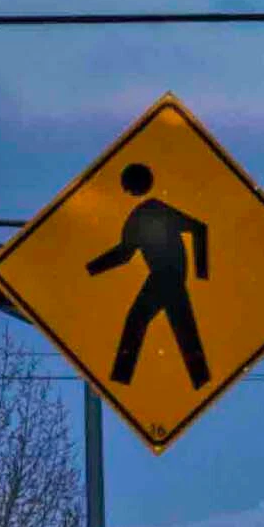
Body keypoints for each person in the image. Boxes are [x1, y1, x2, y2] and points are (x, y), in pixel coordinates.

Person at [86, 161, 211, 390]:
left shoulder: (154, 209)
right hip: (166, 277)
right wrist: (90, 269)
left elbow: (199, 229)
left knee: (139, 321)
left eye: (127, 186)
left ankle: (122, 378)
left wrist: (202, 274)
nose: (125, 191)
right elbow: (125, 253)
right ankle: (201, 381)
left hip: (166, 276)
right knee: (183, 329)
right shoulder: (138, 216)